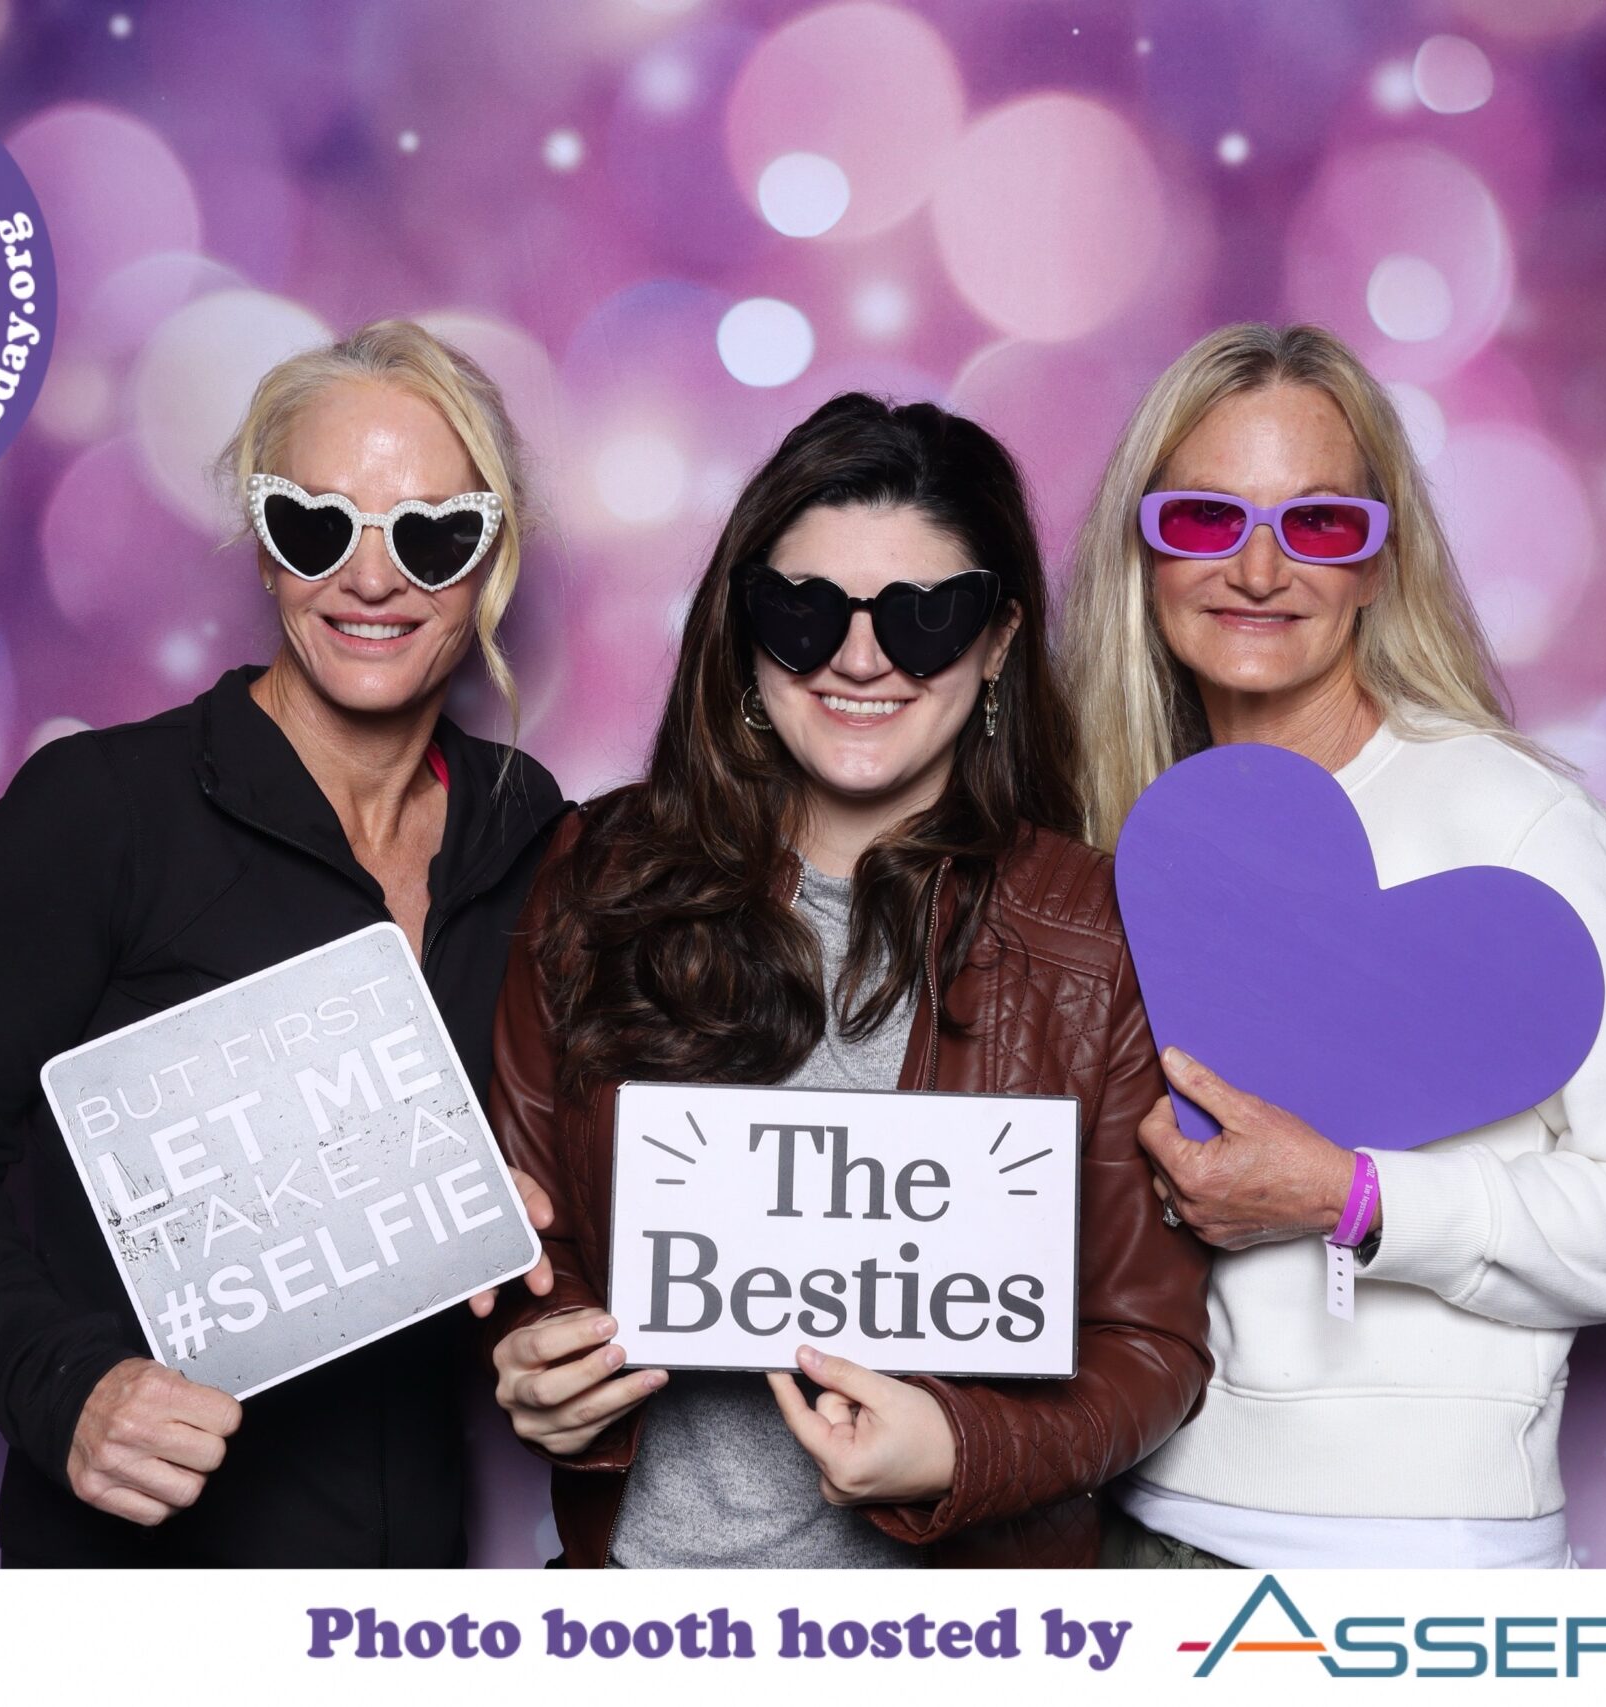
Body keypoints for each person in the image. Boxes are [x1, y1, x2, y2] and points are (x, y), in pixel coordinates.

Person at [0, 320, 568, 1566]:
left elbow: (524, 1139)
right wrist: (68, 1381)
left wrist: (520, 1213)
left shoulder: (527, 830)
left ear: (490, 555)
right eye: (316, 525)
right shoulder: (100, 812)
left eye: (429, 535)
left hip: (403, 1585)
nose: (370, 579)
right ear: (263, 545)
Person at [480, 393, 1211, 1568]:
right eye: (805, 610)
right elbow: (533, 1228)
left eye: (923, 617)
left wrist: (964, 1447)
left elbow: (1151, 1348)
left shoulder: (1097, 936)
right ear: (744, 629)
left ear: (998, 643)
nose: (859, 658)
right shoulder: (598, 873)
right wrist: (540, 1355)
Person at [1062, 322, 1606, 1569]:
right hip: (1142, 1534)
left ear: (1379, 562)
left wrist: (1357, 1198)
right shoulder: (1118, 836)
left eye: (1318, 524)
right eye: (1206, 518)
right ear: (1144, 549)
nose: (1256, 570)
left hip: (1422, 1562)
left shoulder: (1510, 818)